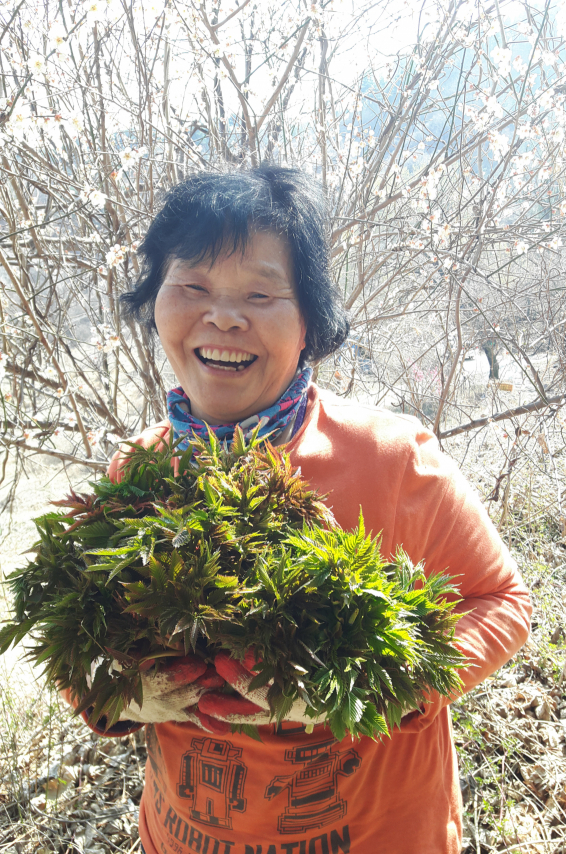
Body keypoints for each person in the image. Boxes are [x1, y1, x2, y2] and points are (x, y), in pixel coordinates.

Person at [74, 166, 531, 854]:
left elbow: (501, 602)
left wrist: (372, 691)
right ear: (154, 299)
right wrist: (116, 694)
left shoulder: (390, 459)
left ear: (310, 321)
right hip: (182, 833)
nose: (224, 316)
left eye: (260, 293)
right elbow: (81, 640)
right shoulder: (136, 473)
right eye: (193, 286)